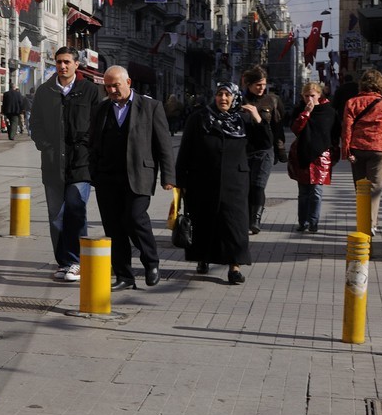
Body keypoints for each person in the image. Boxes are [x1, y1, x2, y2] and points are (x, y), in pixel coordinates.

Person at [89, 65, 176, 289]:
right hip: (107, 177)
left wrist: (169, 176)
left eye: (115, 85)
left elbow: (164, 144)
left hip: (139, 175)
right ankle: (124, 276)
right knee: (114, 227)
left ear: (128, 83)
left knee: (135, 218)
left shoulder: (150, 106)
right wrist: (94, 173)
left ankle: (151, 261)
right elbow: (93, 144)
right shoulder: (101, 109)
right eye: (107, 86)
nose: (111, 90)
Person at [177, 84, 261, 284]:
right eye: (219, 94)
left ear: (235, 97)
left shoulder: (243, 119)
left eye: (227, 94)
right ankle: (203, 258)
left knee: (235, 224)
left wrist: (258, 118)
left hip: (236, 182)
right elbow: (186, 149)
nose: (223, 98)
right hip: (202, 179)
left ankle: (235, 267)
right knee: (205, 222)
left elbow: (264, 143)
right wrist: (180, 181)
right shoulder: (199, 118)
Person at [29, 47, 101, 282]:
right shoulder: (45, 90)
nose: (63, 66)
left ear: (76, 65)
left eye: (67, 62)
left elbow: (98, 124)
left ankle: (77, 262)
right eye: (59, 62)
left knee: (75, 210)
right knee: (56, 217)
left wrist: (87, 148)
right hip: (52, 165)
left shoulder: (89, 90)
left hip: (80, 164)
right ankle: (64, 262)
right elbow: (35, 123)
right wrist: (45, 146)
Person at [339, 68, 382, 238]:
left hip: (357, 149)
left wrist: (347, 150)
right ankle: (371, 224)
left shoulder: (351, 103)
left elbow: (347, 128)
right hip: (379, 148)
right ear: (381, 85)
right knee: (374, 188)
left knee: (361, 189)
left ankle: (363, 223)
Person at [287, 80, 338, 233]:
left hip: (321, 156)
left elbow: (335, 133)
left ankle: (313, 222)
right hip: (302, 154)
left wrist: (334, 153)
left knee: (316, 191)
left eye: (312, 96)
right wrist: (306, 113)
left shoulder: (328, 111)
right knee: (303, 193)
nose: (309, 99)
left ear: (319, 95)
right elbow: (296, 129)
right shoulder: (299, 110)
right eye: (306, 96)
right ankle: (303, 222)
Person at [239, 65, 285, 234]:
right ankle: (245, 218)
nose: (262, 88)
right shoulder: (239, 101)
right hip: (243, 150)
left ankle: (255, 219)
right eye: (258, 84)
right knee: (246, 186)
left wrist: (280, 149)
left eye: (264, 84)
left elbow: (278, 127)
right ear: (248, 84)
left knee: (258, 185)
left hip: (264, 149)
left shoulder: (272, 100)